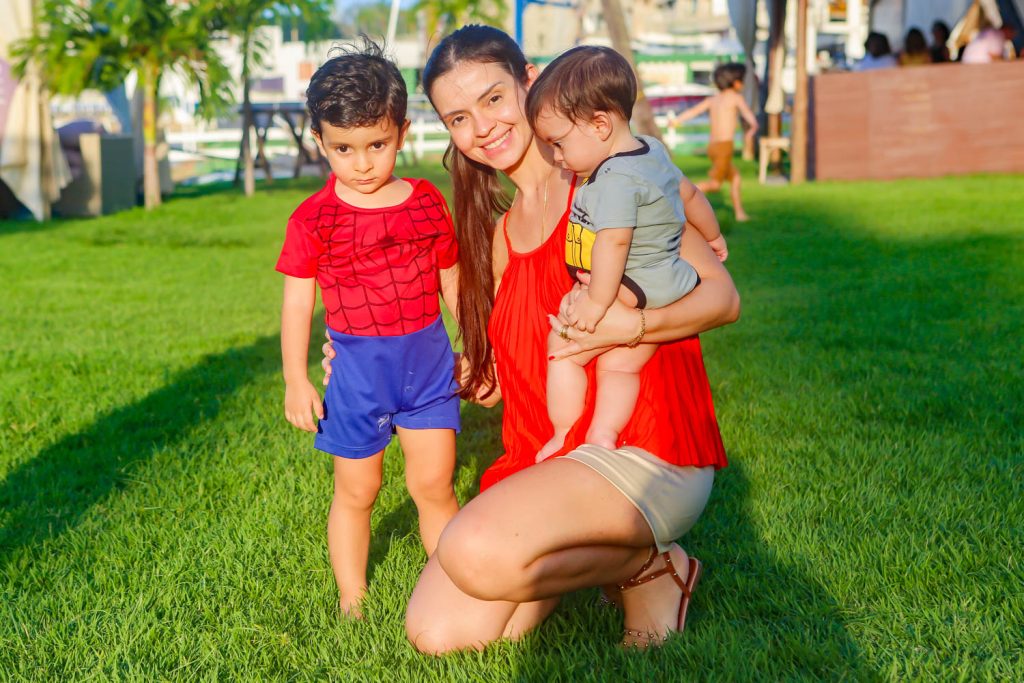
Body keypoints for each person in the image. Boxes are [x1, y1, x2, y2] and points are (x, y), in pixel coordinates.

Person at [324, 25, 739, 651]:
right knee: (437, 631)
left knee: (475, 550)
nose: (482, 127)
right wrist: (369, 357)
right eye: (458, 118)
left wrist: (633, 326)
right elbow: (497, 380)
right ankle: (593, 552)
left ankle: (650, 567)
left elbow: (723, 297)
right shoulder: (497, 237)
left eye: (493, 98)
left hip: (644, 449)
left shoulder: (607, 179)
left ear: (530, 81)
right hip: (549, 459)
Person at [276, 43, 462, 618]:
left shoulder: (427, 202)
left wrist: (476, 346)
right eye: (344, 149)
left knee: (434, 486)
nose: (361, 164)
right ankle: (352, 598)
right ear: (320, 142)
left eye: (376, 145)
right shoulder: (312, 219)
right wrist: (295, 379)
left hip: (429, 368)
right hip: (357, 376)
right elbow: (297, 304)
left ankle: (455, 586)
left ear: (401, 133)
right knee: (358, 491)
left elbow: (451, 280)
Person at [524, 46, 726, 462]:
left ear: (600, 125)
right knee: (619, 364)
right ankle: (603, 433)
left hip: (633, 281)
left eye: (559, 143)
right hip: (666, 278)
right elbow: (690, 193)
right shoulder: (652, 149)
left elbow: (614, 243)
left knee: (561, 347)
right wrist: (714, 235)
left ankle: (562, 433)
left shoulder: (615, 179)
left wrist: (596, 302)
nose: (558, 157)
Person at [670, 62, 757, 222]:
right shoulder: (736, 98)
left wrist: (676, 121)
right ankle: (677, 197)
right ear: (736, 83)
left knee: (735, 178)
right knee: (715, 185)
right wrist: (753, 127)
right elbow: (748, 114)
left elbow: (693, 111)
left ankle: (739, 214)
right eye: (743, 80)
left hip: (713, 147)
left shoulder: (712, 100)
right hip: (724, 147)